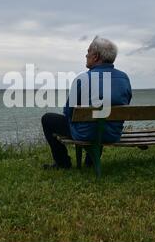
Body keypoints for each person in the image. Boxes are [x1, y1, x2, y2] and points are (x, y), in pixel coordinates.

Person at [41, 36, 132, 169]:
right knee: (101, 119)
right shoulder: (124, 78)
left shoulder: (83, 79)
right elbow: (125, 104)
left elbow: (68, 113)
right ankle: (90, 162)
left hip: (87, 134)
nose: (86, 55)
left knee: (48, 119)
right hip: (112, 134)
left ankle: (62, 163)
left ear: (95, 57)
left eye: (88, 51)